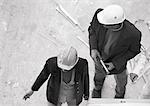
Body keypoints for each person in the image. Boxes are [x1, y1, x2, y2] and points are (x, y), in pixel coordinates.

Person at [88, 4, 141, 98]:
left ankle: (119, 96)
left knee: (121, 83)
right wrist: (94, 48)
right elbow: (92, 30)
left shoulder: (133, 34)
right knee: (98, 76)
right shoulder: (100, 15)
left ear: (115, 25)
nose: (102, 25)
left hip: (119, 66)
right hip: (100, 60)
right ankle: (97, 88)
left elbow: (134, 51)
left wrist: (115, 64)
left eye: (105, 25)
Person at [23, 46, 89, 106]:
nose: (64, 69)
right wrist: (32, 89)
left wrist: (86, 97)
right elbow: (43, 76)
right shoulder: (51, 63)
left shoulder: (82, 65)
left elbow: (85, 79)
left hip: (73, 95)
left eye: (67, 68)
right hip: (54, 95)